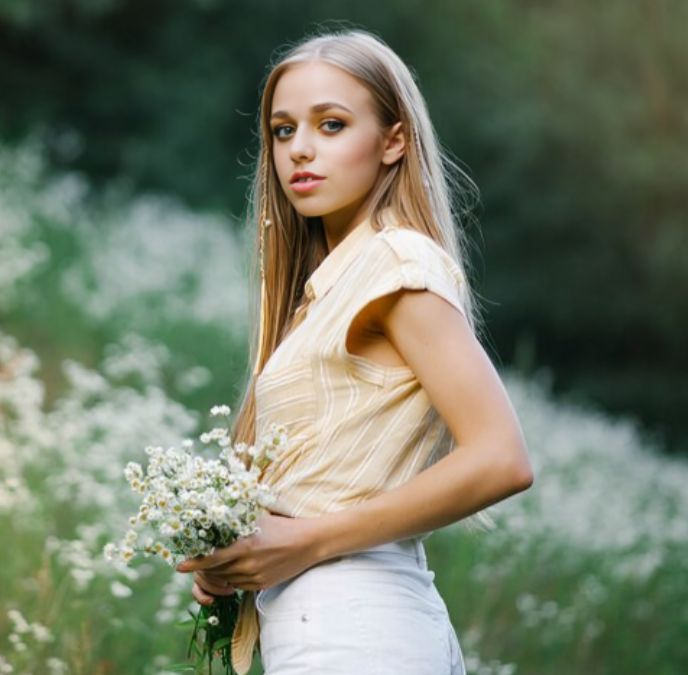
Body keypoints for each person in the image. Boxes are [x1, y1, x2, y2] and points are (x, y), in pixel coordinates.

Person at [174, 28, 534, 675]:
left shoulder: (396, 265)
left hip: (355, 626)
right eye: (283, 131)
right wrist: (237, 556)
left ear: (393, 140)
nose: (300, 150)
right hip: (337, 621)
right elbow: (328, 479)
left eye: (332, 124)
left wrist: (302, 541)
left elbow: (501, 457)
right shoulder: (332, 284)